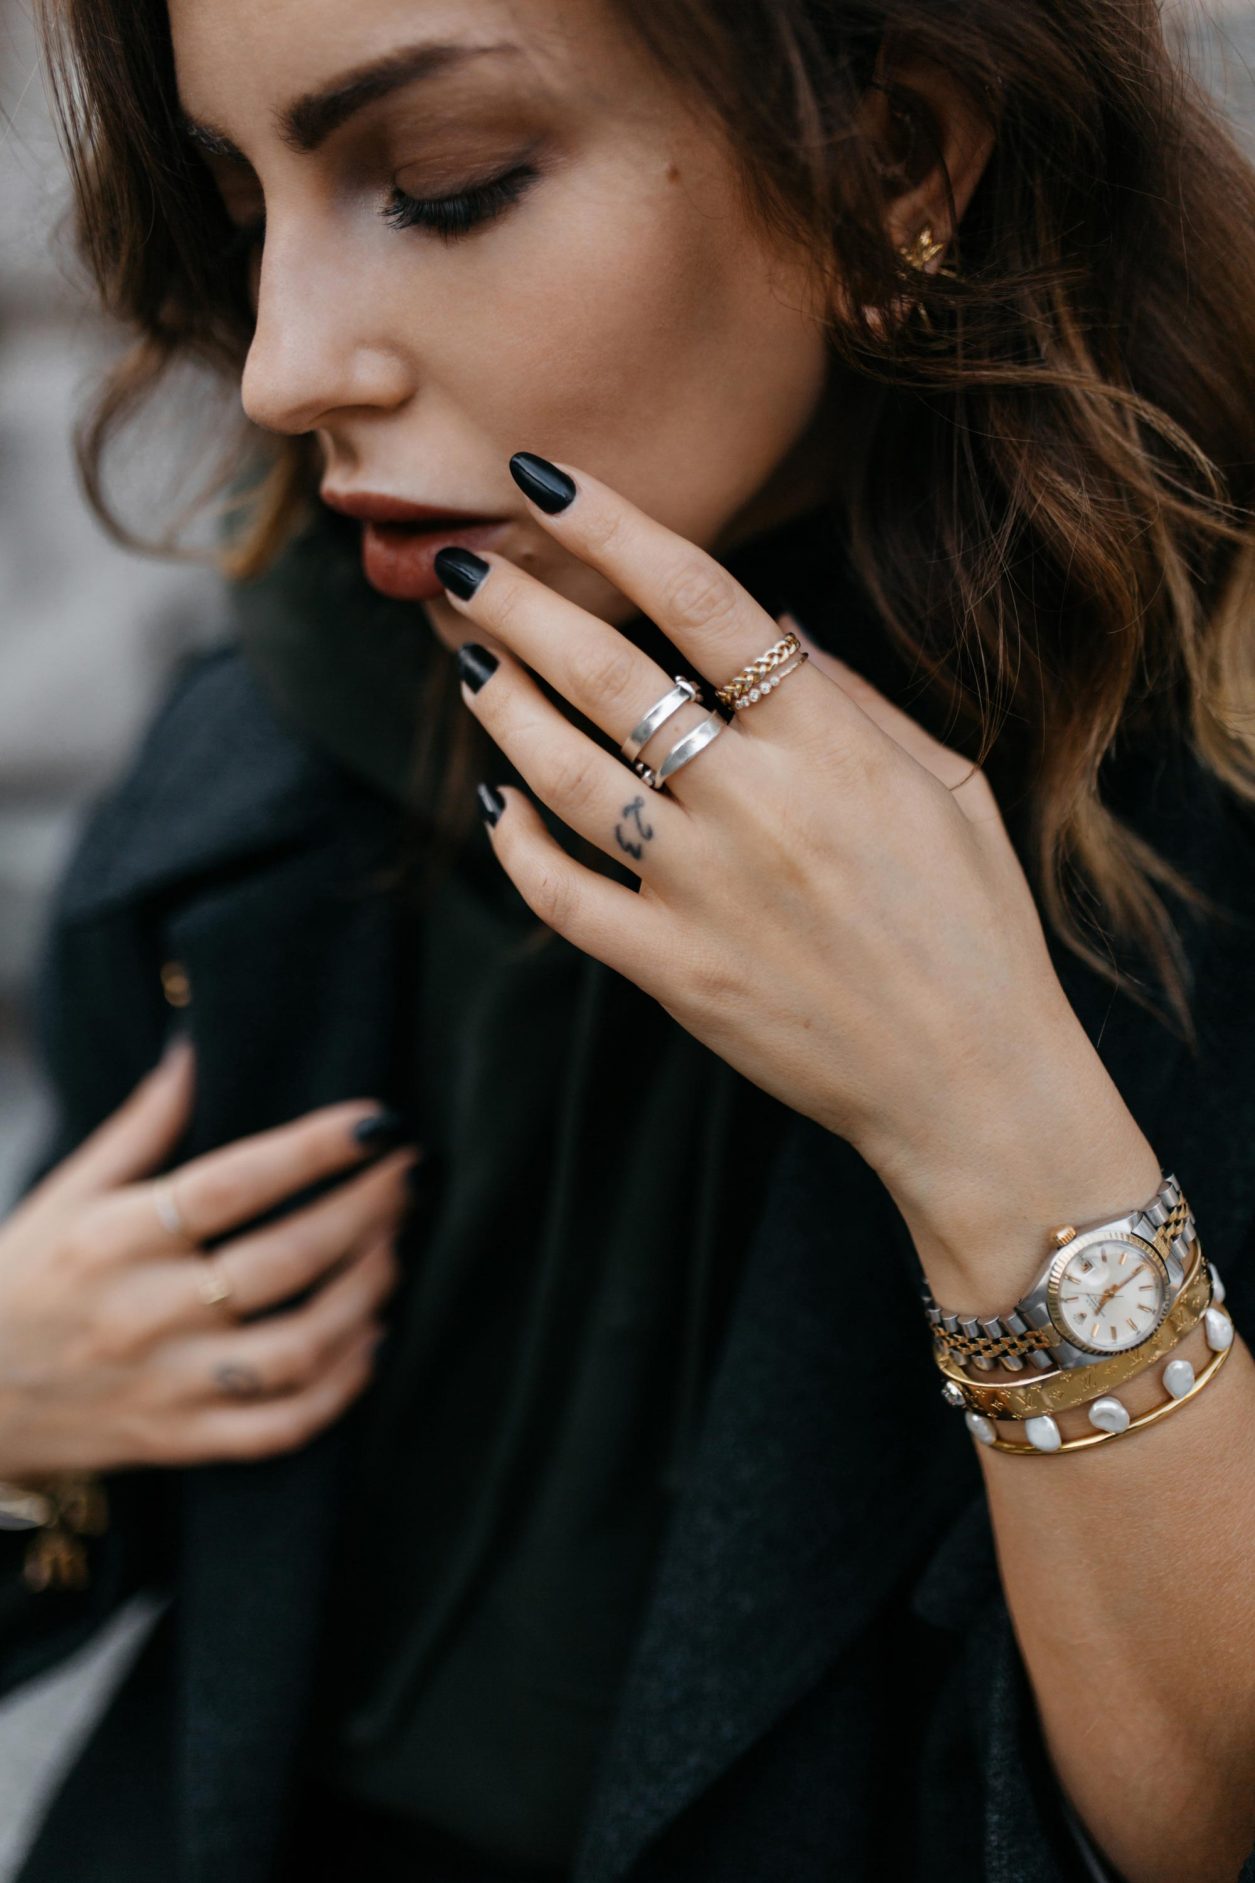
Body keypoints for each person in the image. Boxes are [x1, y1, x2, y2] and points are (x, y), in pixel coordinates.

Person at [2, 0, 1254, 1877]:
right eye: (246, 203)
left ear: (899, 160)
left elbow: (1200, 1819)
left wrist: (995, 1122)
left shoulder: (1206, 821)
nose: (279, 365)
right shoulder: (297, 724)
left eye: (444, 186)